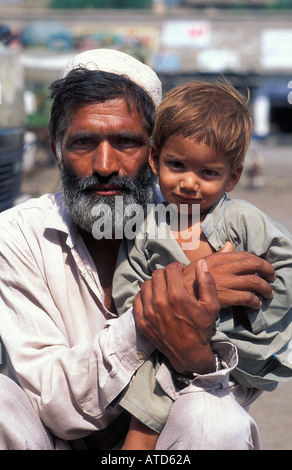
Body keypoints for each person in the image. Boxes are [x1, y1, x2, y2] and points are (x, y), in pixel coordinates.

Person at [0, 49, 276, 450]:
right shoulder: (17, 235)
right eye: (83, 142)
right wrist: (159, 312)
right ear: (56, 148)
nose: (105, 164)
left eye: (126, 141)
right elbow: (53, 402)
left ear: (153, 152)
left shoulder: (207, 228)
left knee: (215, 419)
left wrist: (199, 360)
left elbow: (245, 379)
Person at [112, 80, 292, 449]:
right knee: (149, 389)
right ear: (154, 158)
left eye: (208, 173)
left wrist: (241, 308)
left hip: (236, 353)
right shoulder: (146, 226)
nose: (189, 183)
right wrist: (165, 304)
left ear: (233, 176)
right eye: (176, 165)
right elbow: (127, 286)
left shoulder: (242, 221)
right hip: (166, 346)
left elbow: (285, 269)